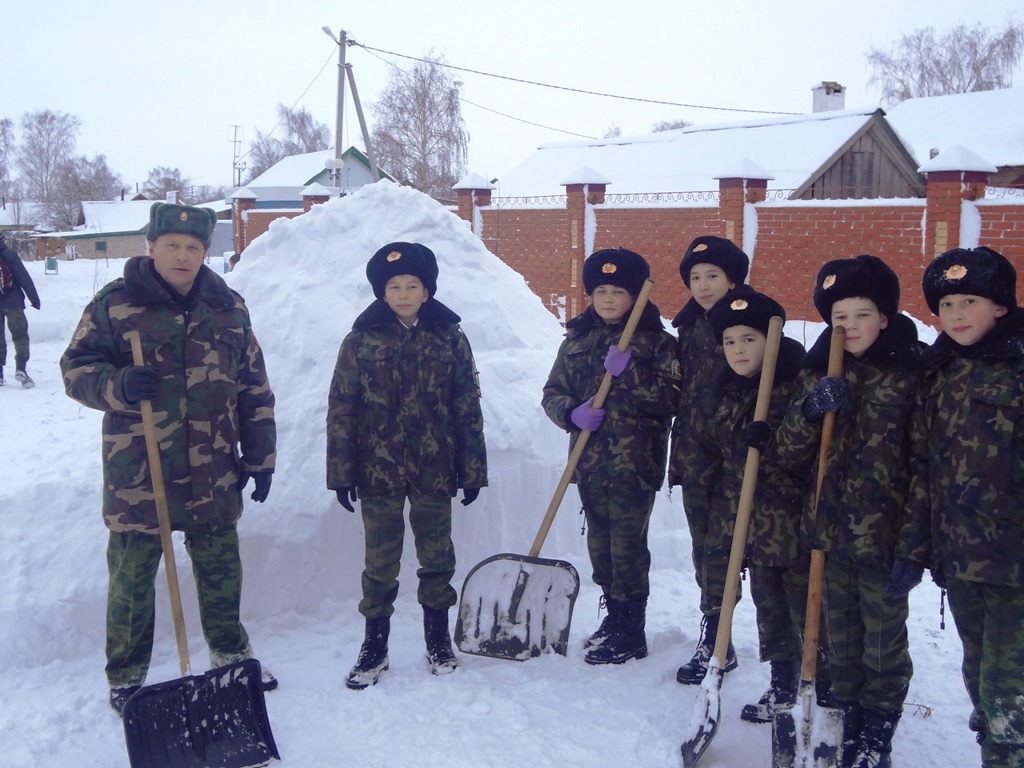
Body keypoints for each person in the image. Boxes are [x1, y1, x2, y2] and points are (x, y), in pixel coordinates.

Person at [59, 202, 277, 716]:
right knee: (133, 579)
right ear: (151, 246)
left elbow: (253, 385)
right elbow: (74, 369)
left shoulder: (229, 308)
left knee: (222, 570)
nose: (183, 256)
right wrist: (115, 385)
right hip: (139, 471)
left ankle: (229, 654)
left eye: (194, 248)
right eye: (172, 245)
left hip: (214, 466)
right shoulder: (115, 305)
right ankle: (127, 676)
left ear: (206, 252)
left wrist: (261, 454)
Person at [774, 254, 928, 768]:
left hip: (884, 538)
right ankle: (844, 724)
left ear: (884, 317)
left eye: (862, 315)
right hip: (827, 536)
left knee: (882, 645)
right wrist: (811, 409)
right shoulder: (818, 371)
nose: (850, 327)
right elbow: (789, 453)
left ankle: (876, 732)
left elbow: (924, 464)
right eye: (840, 318)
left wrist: (914, 544)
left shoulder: (912, 371)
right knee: (838, 641)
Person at [327, 241, 487, 690]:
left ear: (427, 290)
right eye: (393, 286)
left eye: (411, 285)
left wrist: (473, 468)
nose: (402, 294)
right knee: (380, 563)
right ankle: (374, 648)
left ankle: (438, 642)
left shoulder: (450, 338)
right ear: (381, 291)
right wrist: (340, 472)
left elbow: (466, 405)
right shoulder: (361, 340)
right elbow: (342, 407)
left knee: (437, 557)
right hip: (376, 470)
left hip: (435, 467)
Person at [914, 246, 1024, 768]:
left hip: (1015, 564)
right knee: (981, 679)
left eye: (969, 301)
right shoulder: (940, 369)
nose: (955, 315)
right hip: (962, 560)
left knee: (1011, 694)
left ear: (1000, 306)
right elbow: (925, 463)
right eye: (947, 303)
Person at [541, 248, 677, 665]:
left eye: (618, 291)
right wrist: (571, 413)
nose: (608, 299)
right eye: (601, 290)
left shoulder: (658, 343)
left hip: (635, 465)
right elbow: (552, 392)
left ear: (636, 296)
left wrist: (630, 370)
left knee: (627, 548)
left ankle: (632, 630)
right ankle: (614, 617)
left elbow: (671, 399)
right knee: (600, 546)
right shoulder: (577, 340)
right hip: (590, 464)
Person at [696, 291, 810, 722]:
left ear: (772, 341)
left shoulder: (797, 383)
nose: (738, 350)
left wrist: (776, 442)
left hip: (793, 519)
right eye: (730, 341)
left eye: (749, 339)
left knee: (800, 605)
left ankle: (816, 687)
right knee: (770, 606)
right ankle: (783, 684)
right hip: (749, 520)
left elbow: (808, 454)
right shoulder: (728, 389)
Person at [668, 235, 752, 684]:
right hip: (696, 456)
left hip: (738, 457)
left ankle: (721, 640)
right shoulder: (689, 328)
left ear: (733, 279)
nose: (702, 285)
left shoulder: (752, 319)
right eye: (695, 277)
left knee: (727, 549)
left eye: (712, 276)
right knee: (706, 551)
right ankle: (716, 633)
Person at [0, 233, 41, 388]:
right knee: (20, 336)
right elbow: (23, 277)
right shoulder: (10, 255)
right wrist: (34, 299)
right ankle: (21, 368)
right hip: (14, 303)